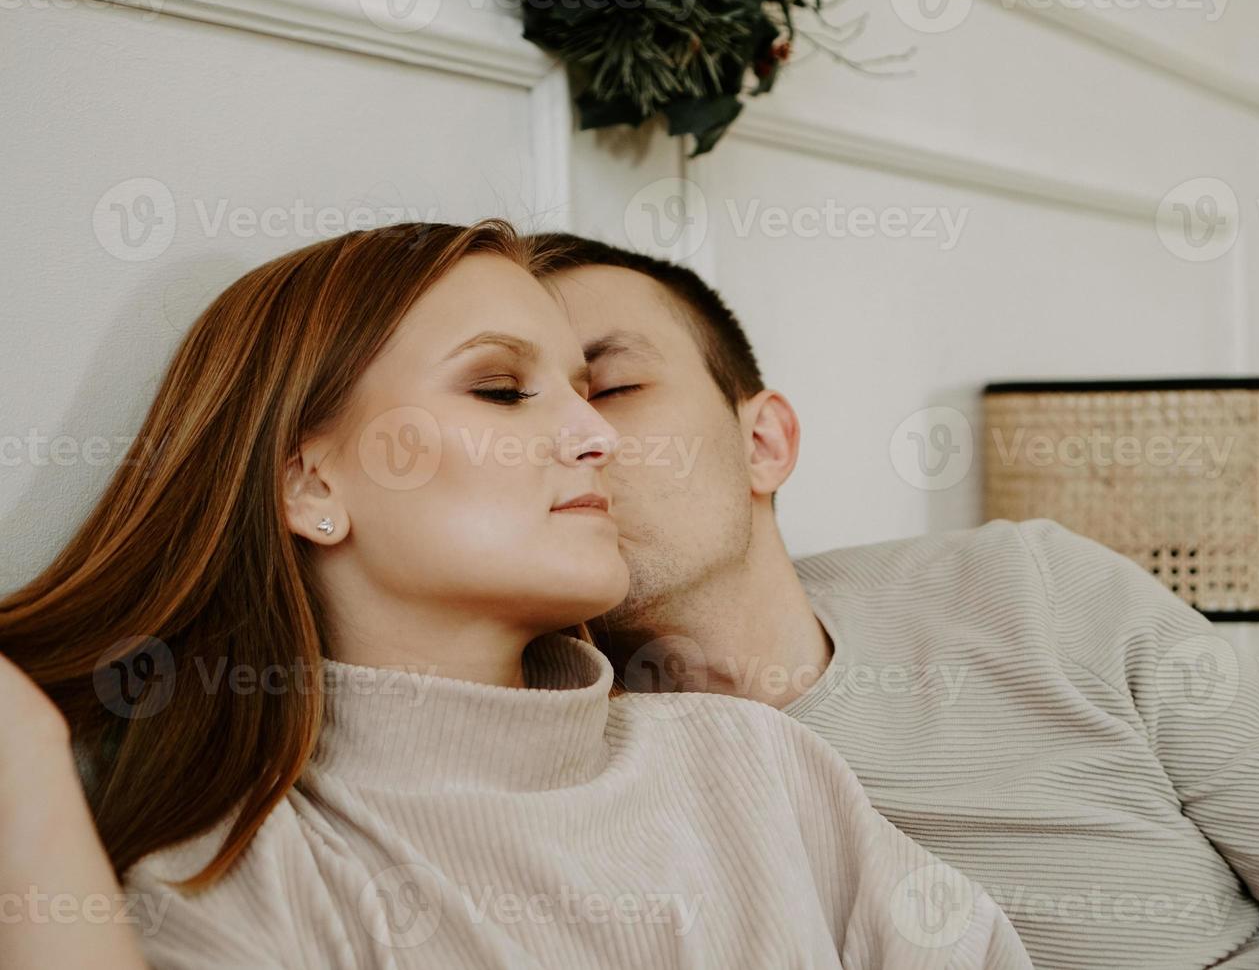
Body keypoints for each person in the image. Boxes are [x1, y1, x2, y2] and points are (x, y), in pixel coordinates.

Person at [0, 221, 1033, 969]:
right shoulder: (240, 874)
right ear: (308, 482)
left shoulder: (752, 762)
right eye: (501, 388)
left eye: (591, 390)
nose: (596, 436)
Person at [529, 231, 1259, 970]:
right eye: (507, 400)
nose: (570, 435)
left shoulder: (1037, 588)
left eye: (610, 385)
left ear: (764, 442)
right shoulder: (546, 772)